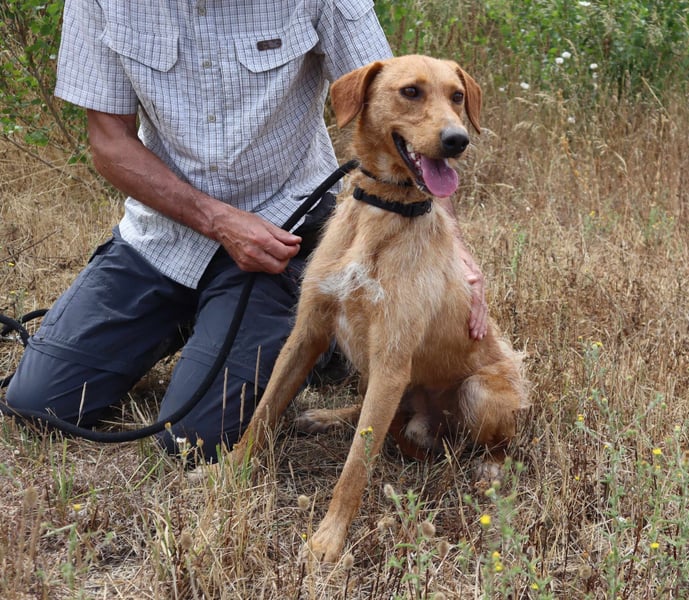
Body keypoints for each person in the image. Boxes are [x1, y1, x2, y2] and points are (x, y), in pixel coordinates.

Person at [4, 0, 488, 461]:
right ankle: (197, 324)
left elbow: (404, 106)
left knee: (192, 440)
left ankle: (320, 337)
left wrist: (455, 258)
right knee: (36, 405)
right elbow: (109, 144)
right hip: (161, 240)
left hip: (280, 238)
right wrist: (218, 220)